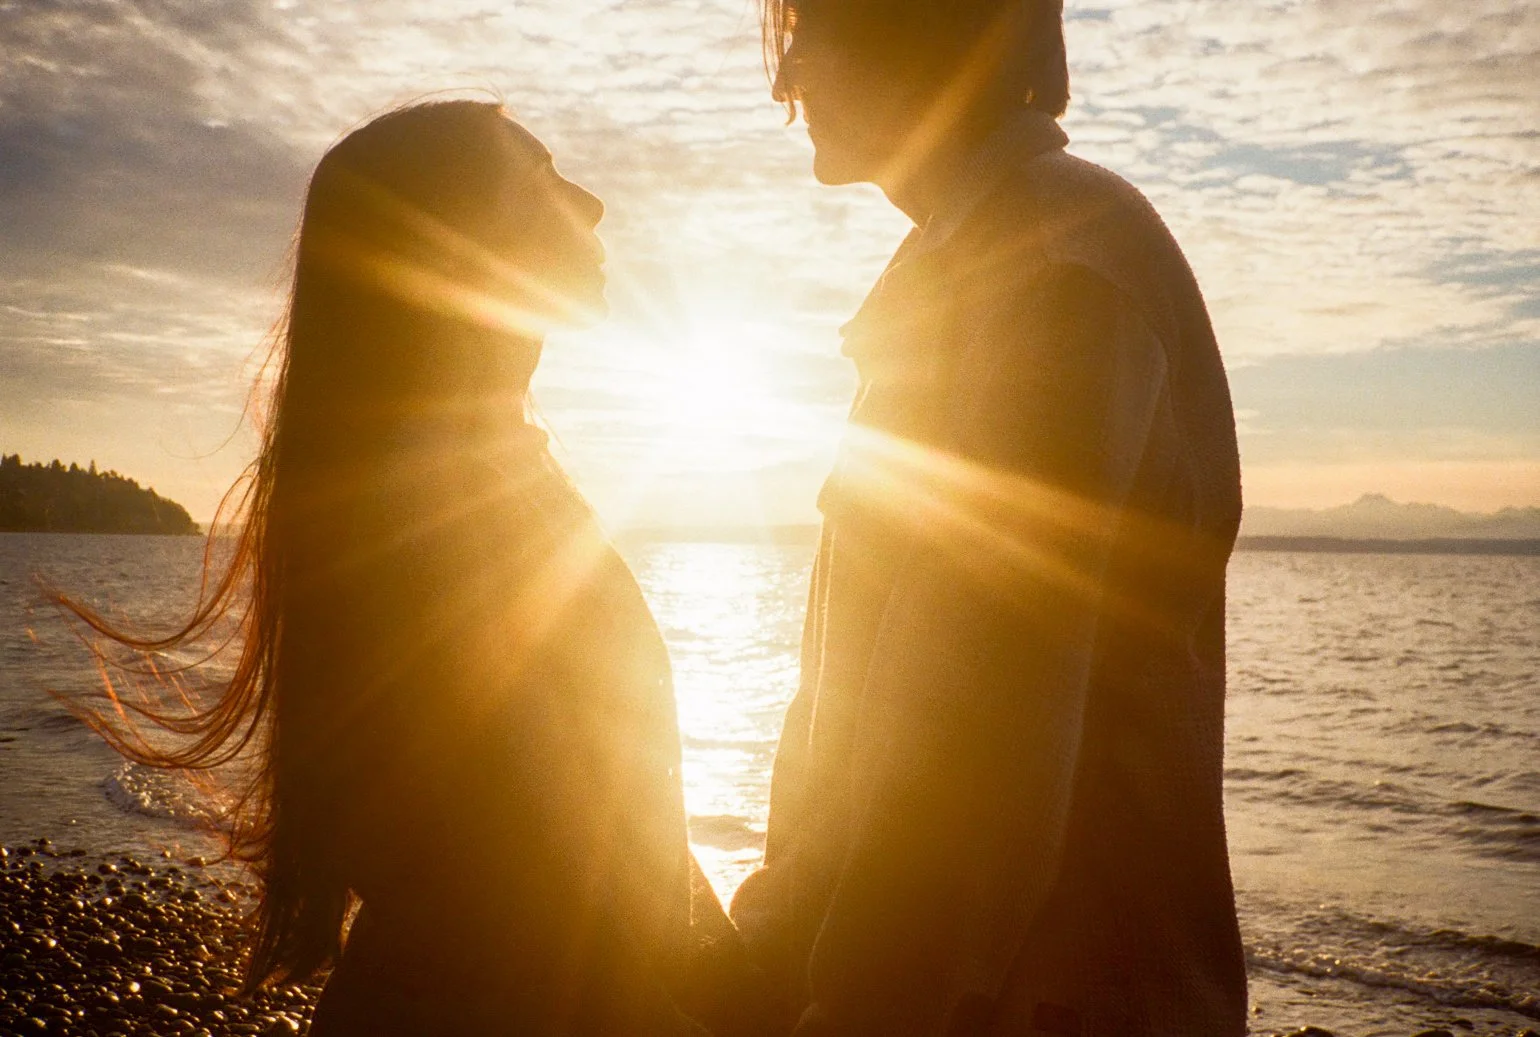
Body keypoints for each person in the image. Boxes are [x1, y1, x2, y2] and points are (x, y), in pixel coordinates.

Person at [59, 100, 760, 1036]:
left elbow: (615, 833)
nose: (590, 205)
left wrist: (749, 984)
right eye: (542, 179)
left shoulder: (489, 475)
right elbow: (528, 899)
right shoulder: (428, 517)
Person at [729, 1, 1249, 1034]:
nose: (787, 81)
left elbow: (985, 726)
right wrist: (783, 929)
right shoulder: (979, 256)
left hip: (1042, 996)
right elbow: (878, 684)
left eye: (813, 36)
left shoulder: (1055, 267)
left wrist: (859, 998)